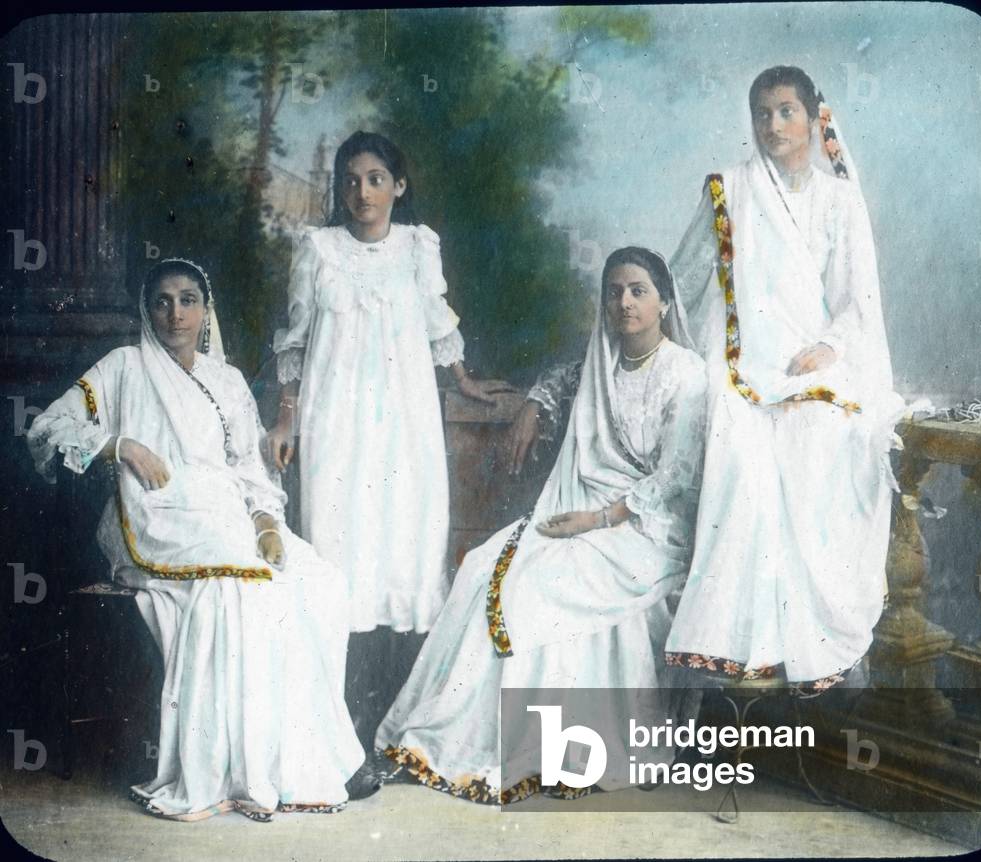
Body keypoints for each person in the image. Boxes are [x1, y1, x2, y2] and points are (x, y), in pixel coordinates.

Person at [27, 259, 376, 821]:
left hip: (226, 515)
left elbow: (248, 465)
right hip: (155, 515)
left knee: (319, 583)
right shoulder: (124, 367)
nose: (176, 313)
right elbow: (48, 426)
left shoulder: (227, 379)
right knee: (245, 593)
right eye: (162, 301)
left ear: (206, 309)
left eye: (189, 300)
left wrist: (265, 521)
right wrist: (123, 445)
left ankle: (314, 761)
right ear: (147, 308)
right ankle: (259, 770)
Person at [376, 247, 708, 803]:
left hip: (648, 527)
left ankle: (547, 750)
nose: (624, 302)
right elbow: (565, 378)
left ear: (665, 304)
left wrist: (600, 519)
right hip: (585, 508)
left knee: (545, 580)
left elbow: (676, 475)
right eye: (614, 292)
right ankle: (465, 736)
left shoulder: (687, 373)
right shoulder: (602, 361)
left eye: (638, 291)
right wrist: (534, 402)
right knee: (486, 564)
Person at [663, 66, 911, 689]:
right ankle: (741, 644)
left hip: (810, 363)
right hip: (743, 364)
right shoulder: (732, 190)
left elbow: (859, 301)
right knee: (740, 453)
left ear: (813, 118)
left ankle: (816, 630)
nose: (774, 125)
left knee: (822, 437)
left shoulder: (839, 198)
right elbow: (681, 278)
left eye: (786, 111)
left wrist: (828, 346)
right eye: (763, 114)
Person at [264, 132, 501, 749]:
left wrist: (464, 379)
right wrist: (287, 418)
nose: (361, 192)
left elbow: (437, 322)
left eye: (375, 179)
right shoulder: (317, 250)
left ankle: (395, 722)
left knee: (404, 548)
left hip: (404, 420)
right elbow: (294, 341)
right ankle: (336, 729)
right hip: (336, 420)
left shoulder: (419, 248)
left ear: (398, 186)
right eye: (349, 180)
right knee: (339, 545)